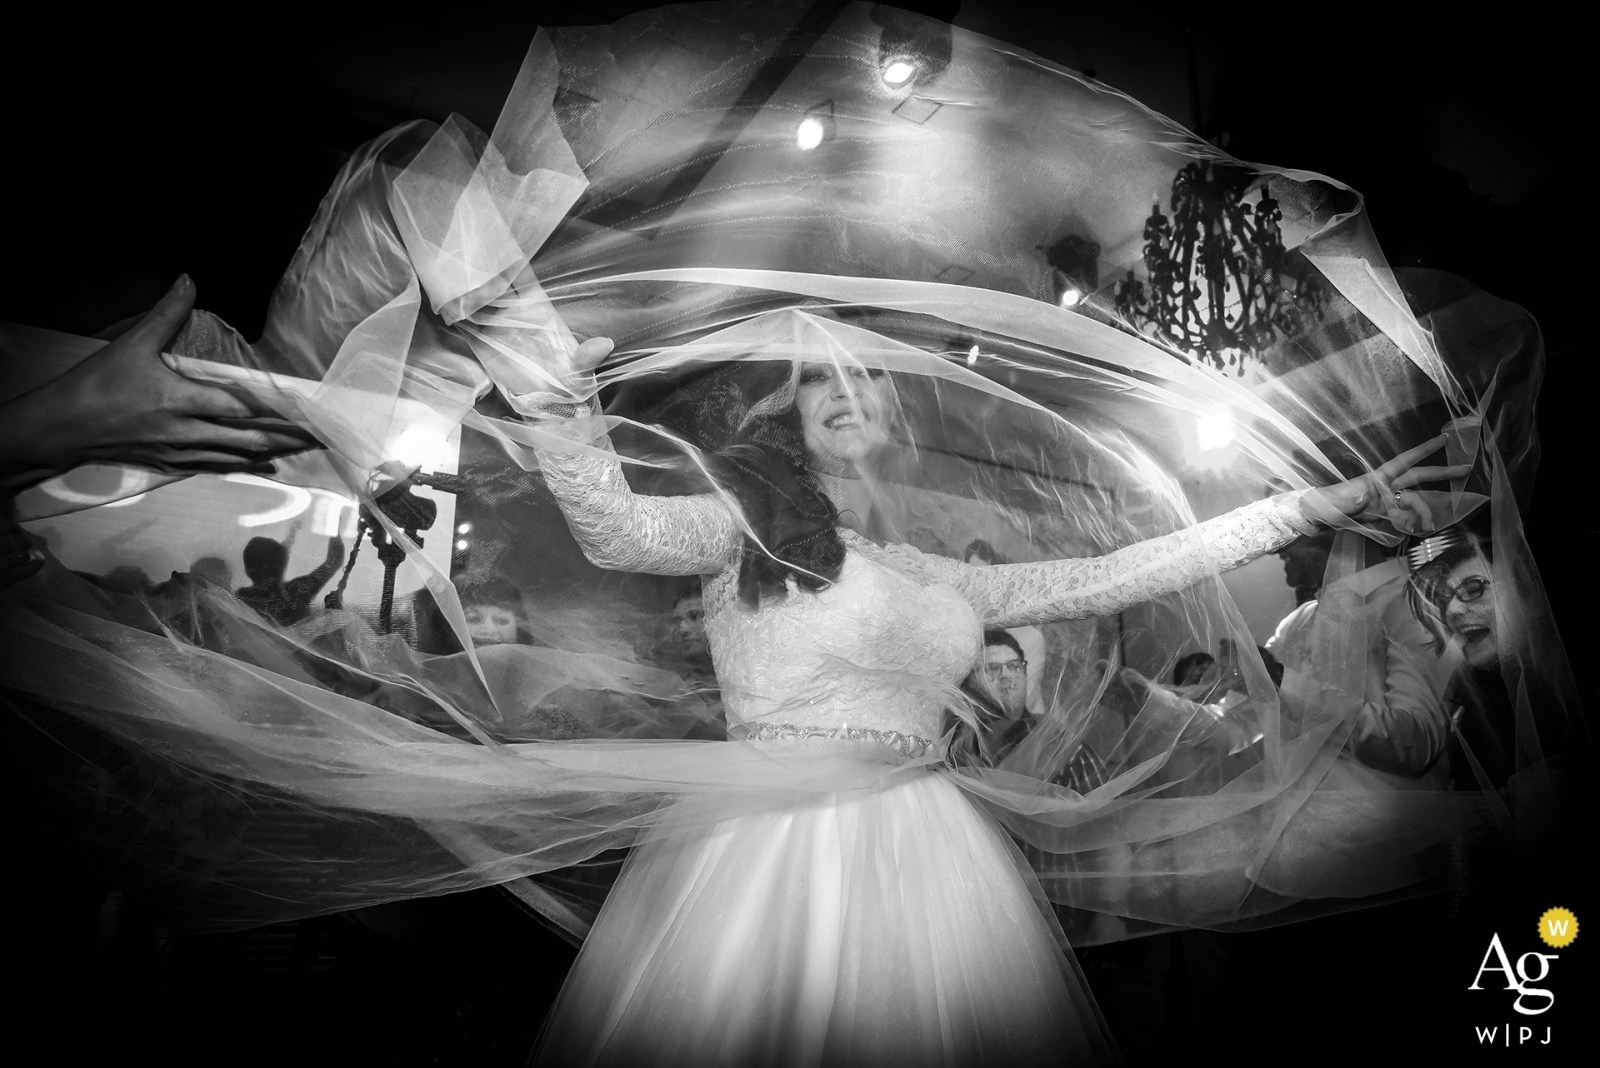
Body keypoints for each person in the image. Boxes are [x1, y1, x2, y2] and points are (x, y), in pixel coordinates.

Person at [523, 337, 1464, 1063]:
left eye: (868, 374)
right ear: (783, 403)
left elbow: (1106, 576)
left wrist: (1294, 513)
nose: (846, 388)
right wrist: (562, 410)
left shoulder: (930, 571)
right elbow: (617, 531)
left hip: (924, 838)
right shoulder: (743, 523)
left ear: (893, 409)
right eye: (817, 376)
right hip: (772, 844)